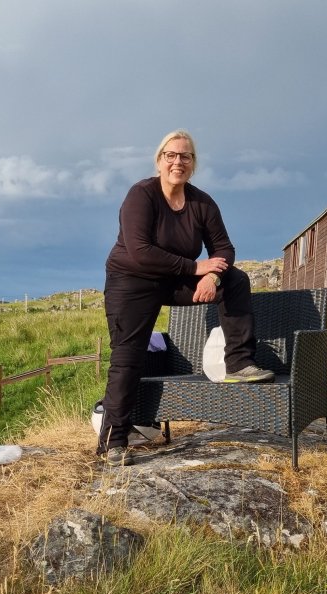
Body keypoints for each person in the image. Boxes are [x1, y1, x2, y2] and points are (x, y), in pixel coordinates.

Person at [97, 129, 274, 467]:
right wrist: (195, 267)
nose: (178, 161)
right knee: (127, 358)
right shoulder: (141, 195)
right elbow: (140, 251)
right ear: (159, 161)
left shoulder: (201, 203)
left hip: (174, 279)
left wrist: (213, 275)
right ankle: (114, 441)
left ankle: (238, 363)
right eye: (171, 155)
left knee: (235, 280)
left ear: (193, 163)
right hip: (131, 282)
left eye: (185, 156)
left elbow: (224, 248)